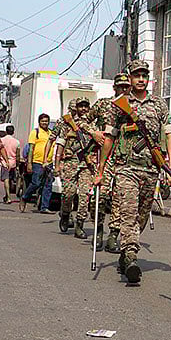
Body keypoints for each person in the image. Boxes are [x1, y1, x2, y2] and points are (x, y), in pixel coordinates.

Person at [95, 59, 171, 284]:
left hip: (151, 168)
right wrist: (101, 169)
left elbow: (169, 133)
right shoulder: (119, 104)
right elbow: (109, 137)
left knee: (141, 216)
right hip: (125, 168)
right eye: (136, 75)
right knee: (128, 212)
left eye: (144, 75)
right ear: (129, 78)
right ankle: (131, 256)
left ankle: (125, 251)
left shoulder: (159, 104)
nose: (141, 79)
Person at [89, 72, 131, 251]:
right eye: (120, 86)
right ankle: (98, 229)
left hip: (125, 158)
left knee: (120, 200)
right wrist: (93, 132)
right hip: (104, 156)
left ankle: (114, 234)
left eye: (126, 86)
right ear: (114, 87)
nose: (123, 89)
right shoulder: (103, 104)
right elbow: (82, 120)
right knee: (100, 197)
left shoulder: (134, 106)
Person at [53, 98, 104, 238]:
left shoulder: (95, 126)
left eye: (86, 106)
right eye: (80, 106)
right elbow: (60, 145)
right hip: (70, 163)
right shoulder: (68, 124)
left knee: (84, 196)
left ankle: (79, 224)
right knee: (68, 194)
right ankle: (65, 214)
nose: (83, 109)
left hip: (87, 165)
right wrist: (57, 165)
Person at [21, 113, 54, 214]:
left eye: (46, 121)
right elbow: (31, 148)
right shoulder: (35, 132)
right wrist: (29, 163)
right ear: (39, 122)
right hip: (37, 162)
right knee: (36, 183)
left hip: (48, 162)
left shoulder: (51, 133)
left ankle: (44, 207)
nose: (45, 123)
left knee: (48, 185)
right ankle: (25, 197)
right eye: (43, 121)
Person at [0, 125, 20, 204]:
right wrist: (17, 165)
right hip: (13, 163)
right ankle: (7, 195)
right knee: (10, 180)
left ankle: (8, 196)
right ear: (13, 132)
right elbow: (17, 155)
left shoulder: (1, 140)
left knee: (6, 179)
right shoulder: (16, 142)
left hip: (4, 162)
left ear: (6, 131)